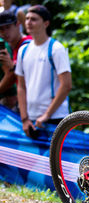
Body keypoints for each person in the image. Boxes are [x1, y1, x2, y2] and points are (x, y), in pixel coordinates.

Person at [15, 5, 72, 138]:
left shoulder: (56, 48)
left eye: (34, 19)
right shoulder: (23, 50)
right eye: (27, 18)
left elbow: (66, 85)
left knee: (58, 158)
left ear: (46, 23)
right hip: (31, 120)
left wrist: (47, 114)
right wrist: (24, 118)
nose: (28, 22)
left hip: (55, 118)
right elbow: (21, 87)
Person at [0, 10, 32, 112]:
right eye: (1, 29)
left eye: (8, 27)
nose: (5, 32)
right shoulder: (10, 47)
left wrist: (12, 67)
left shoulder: (28, 45)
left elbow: (34, 77)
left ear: (17, 24)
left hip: (34, 105)